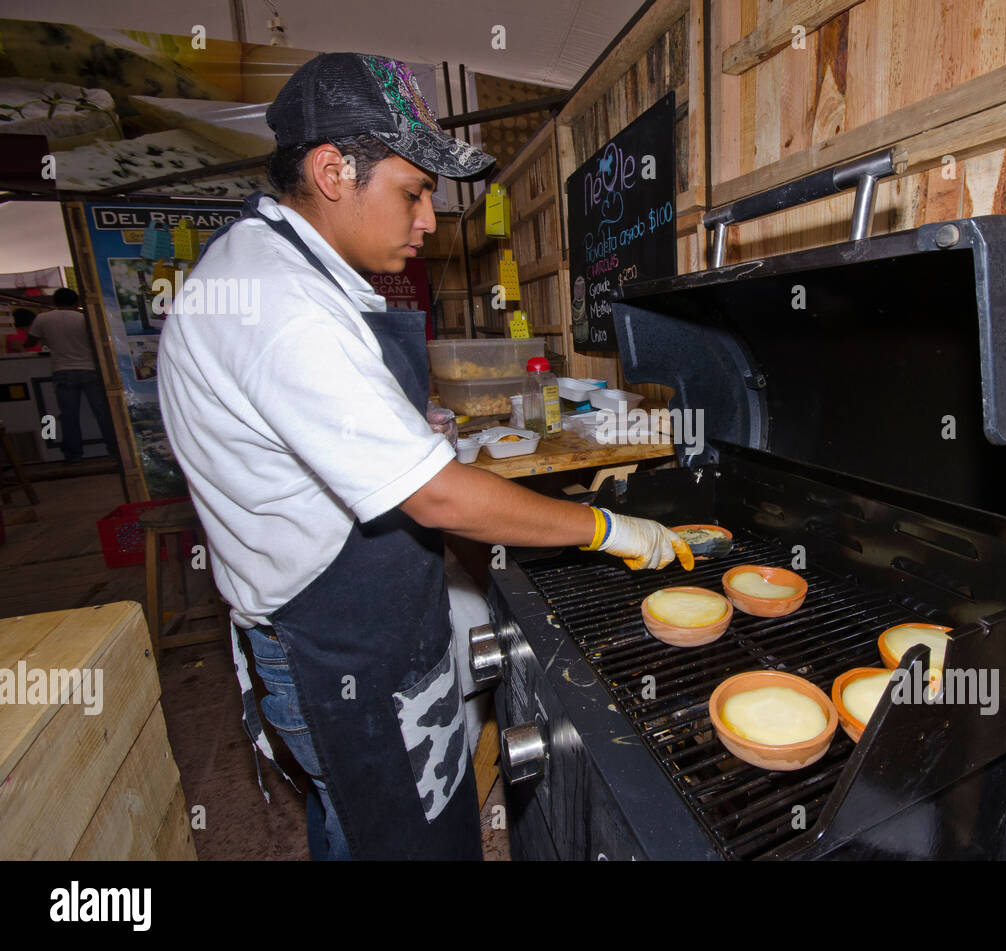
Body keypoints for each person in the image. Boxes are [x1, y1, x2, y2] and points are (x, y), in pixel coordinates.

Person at [156, 52, 693, 861]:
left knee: (353, 826)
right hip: (338, 648)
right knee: (406, 843)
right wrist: (606, 526)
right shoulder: (283, 305)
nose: (429, 221)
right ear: (332, 171)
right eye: (412, 193)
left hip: (350, 623)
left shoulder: (276, 266)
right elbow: (437, 498)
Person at [25, 289, 119, 462]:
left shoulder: (43, 319)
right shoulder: (85, 318)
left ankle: (73, 456)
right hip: (90, 369)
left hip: (62, 370)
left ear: (54, 302)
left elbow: (29, 342)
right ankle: (115, 451)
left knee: (68, 416)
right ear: (77, 302)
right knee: (102, 413)